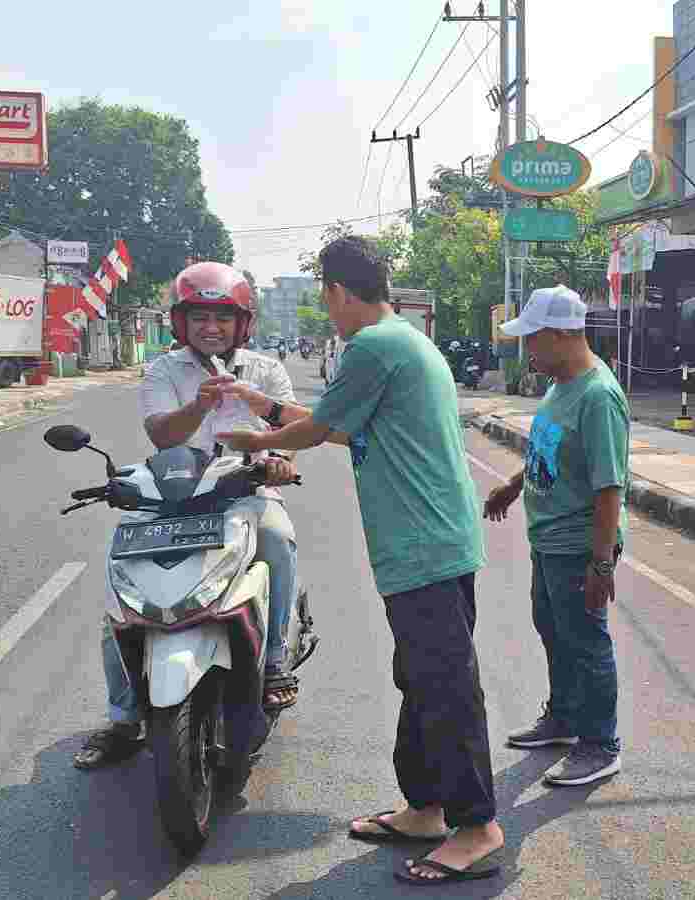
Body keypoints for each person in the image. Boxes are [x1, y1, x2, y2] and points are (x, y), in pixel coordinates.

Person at [214, 235, 503, 885]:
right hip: (434, 539)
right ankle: (426, 808)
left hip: (423, 541)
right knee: (422, 678)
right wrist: (263, 404)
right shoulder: (403, 340)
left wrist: (257, 438)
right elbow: (346, 424)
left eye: (325, 296)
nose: (327, 308)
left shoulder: (372, 346)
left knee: (446, 688)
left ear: (340, 291)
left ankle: (477, 826)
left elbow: (317, 433)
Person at [73, 262, 304, 771]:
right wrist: (198, 407)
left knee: (278, 540)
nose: (211, 328)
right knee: (123, 596)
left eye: (222, 318)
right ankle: (123, 717)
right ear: (181, 322)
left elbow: (289, 431)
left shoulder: (266, 370)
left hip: (244, 492)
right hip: (174, 499)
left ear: (242, 324)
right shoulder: (164, 371)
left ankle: (273, 664)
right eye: (199, 316)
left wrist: (278, 461)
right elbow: (162, 436)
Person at [484, 285, 629, 788]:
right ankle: (564, 718)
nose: (528, 349)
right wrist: (511, 485)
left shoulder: (597, 395)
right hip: (547, 535)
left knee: (586, 641)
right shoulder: (558, 384)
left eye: (533, 338)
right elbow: (549, 453)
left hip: (580, 542)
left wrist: (602, 561)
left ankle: (600, 743)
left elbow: (610, 486)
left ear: (564, 335)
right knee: (552, 627)